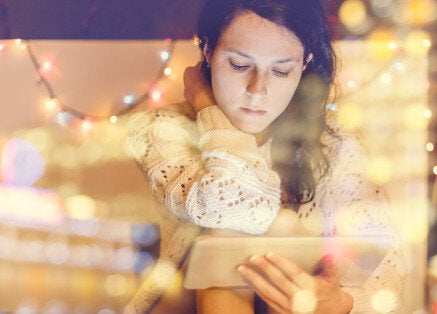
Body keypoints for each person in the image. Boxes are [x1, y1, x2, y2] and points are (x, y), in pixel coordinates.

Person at [124, 0, 405, 312]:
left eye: (281, 71)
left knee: (288, 237)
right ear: (207, 52)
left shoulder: (334, 143)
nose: (258, 90)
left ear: (304, 64)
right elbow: (234, 207)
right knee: (237, 232)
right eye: (240, 66)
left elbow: (385, 266)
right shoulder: (161, 129)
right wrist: (208, 111)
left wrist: (340, 302)